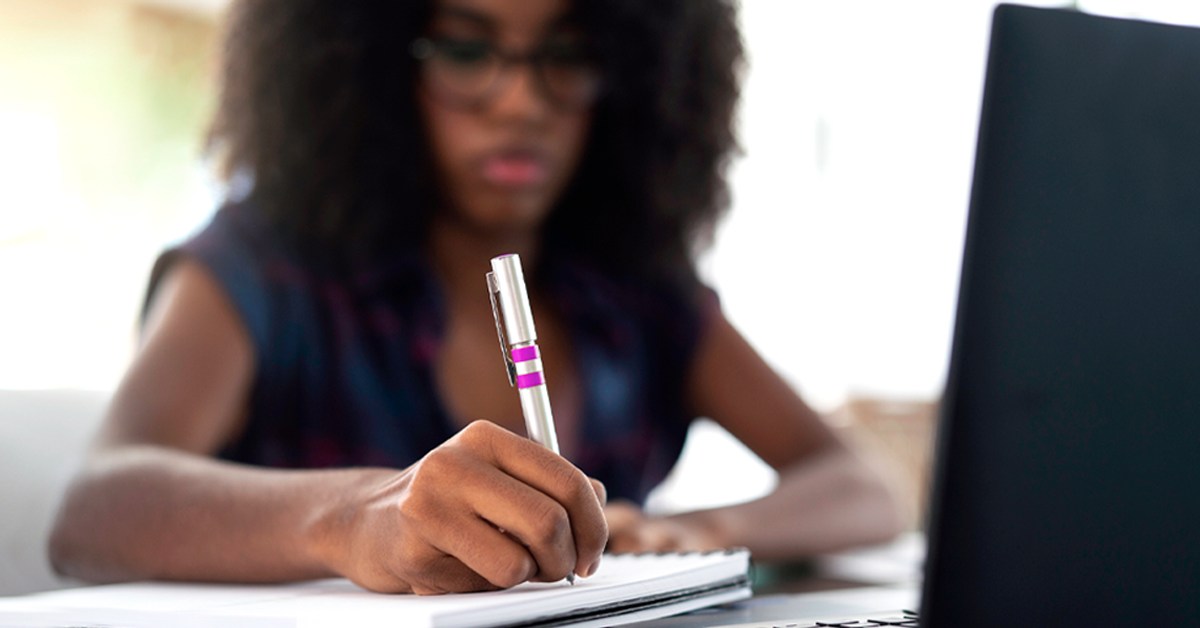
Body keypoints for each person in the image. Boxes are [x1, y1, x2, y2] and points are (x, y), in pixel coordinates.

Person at [49, 0, 903, 595]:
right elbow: (96, 509)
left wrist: (697, 532)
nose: (522, 101)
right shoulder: (265, 268)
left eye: (566, 54)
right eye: (465, 48)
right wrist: (349, 518)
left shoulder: (639, 293)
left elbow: (864, 484)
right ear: (373, 66)